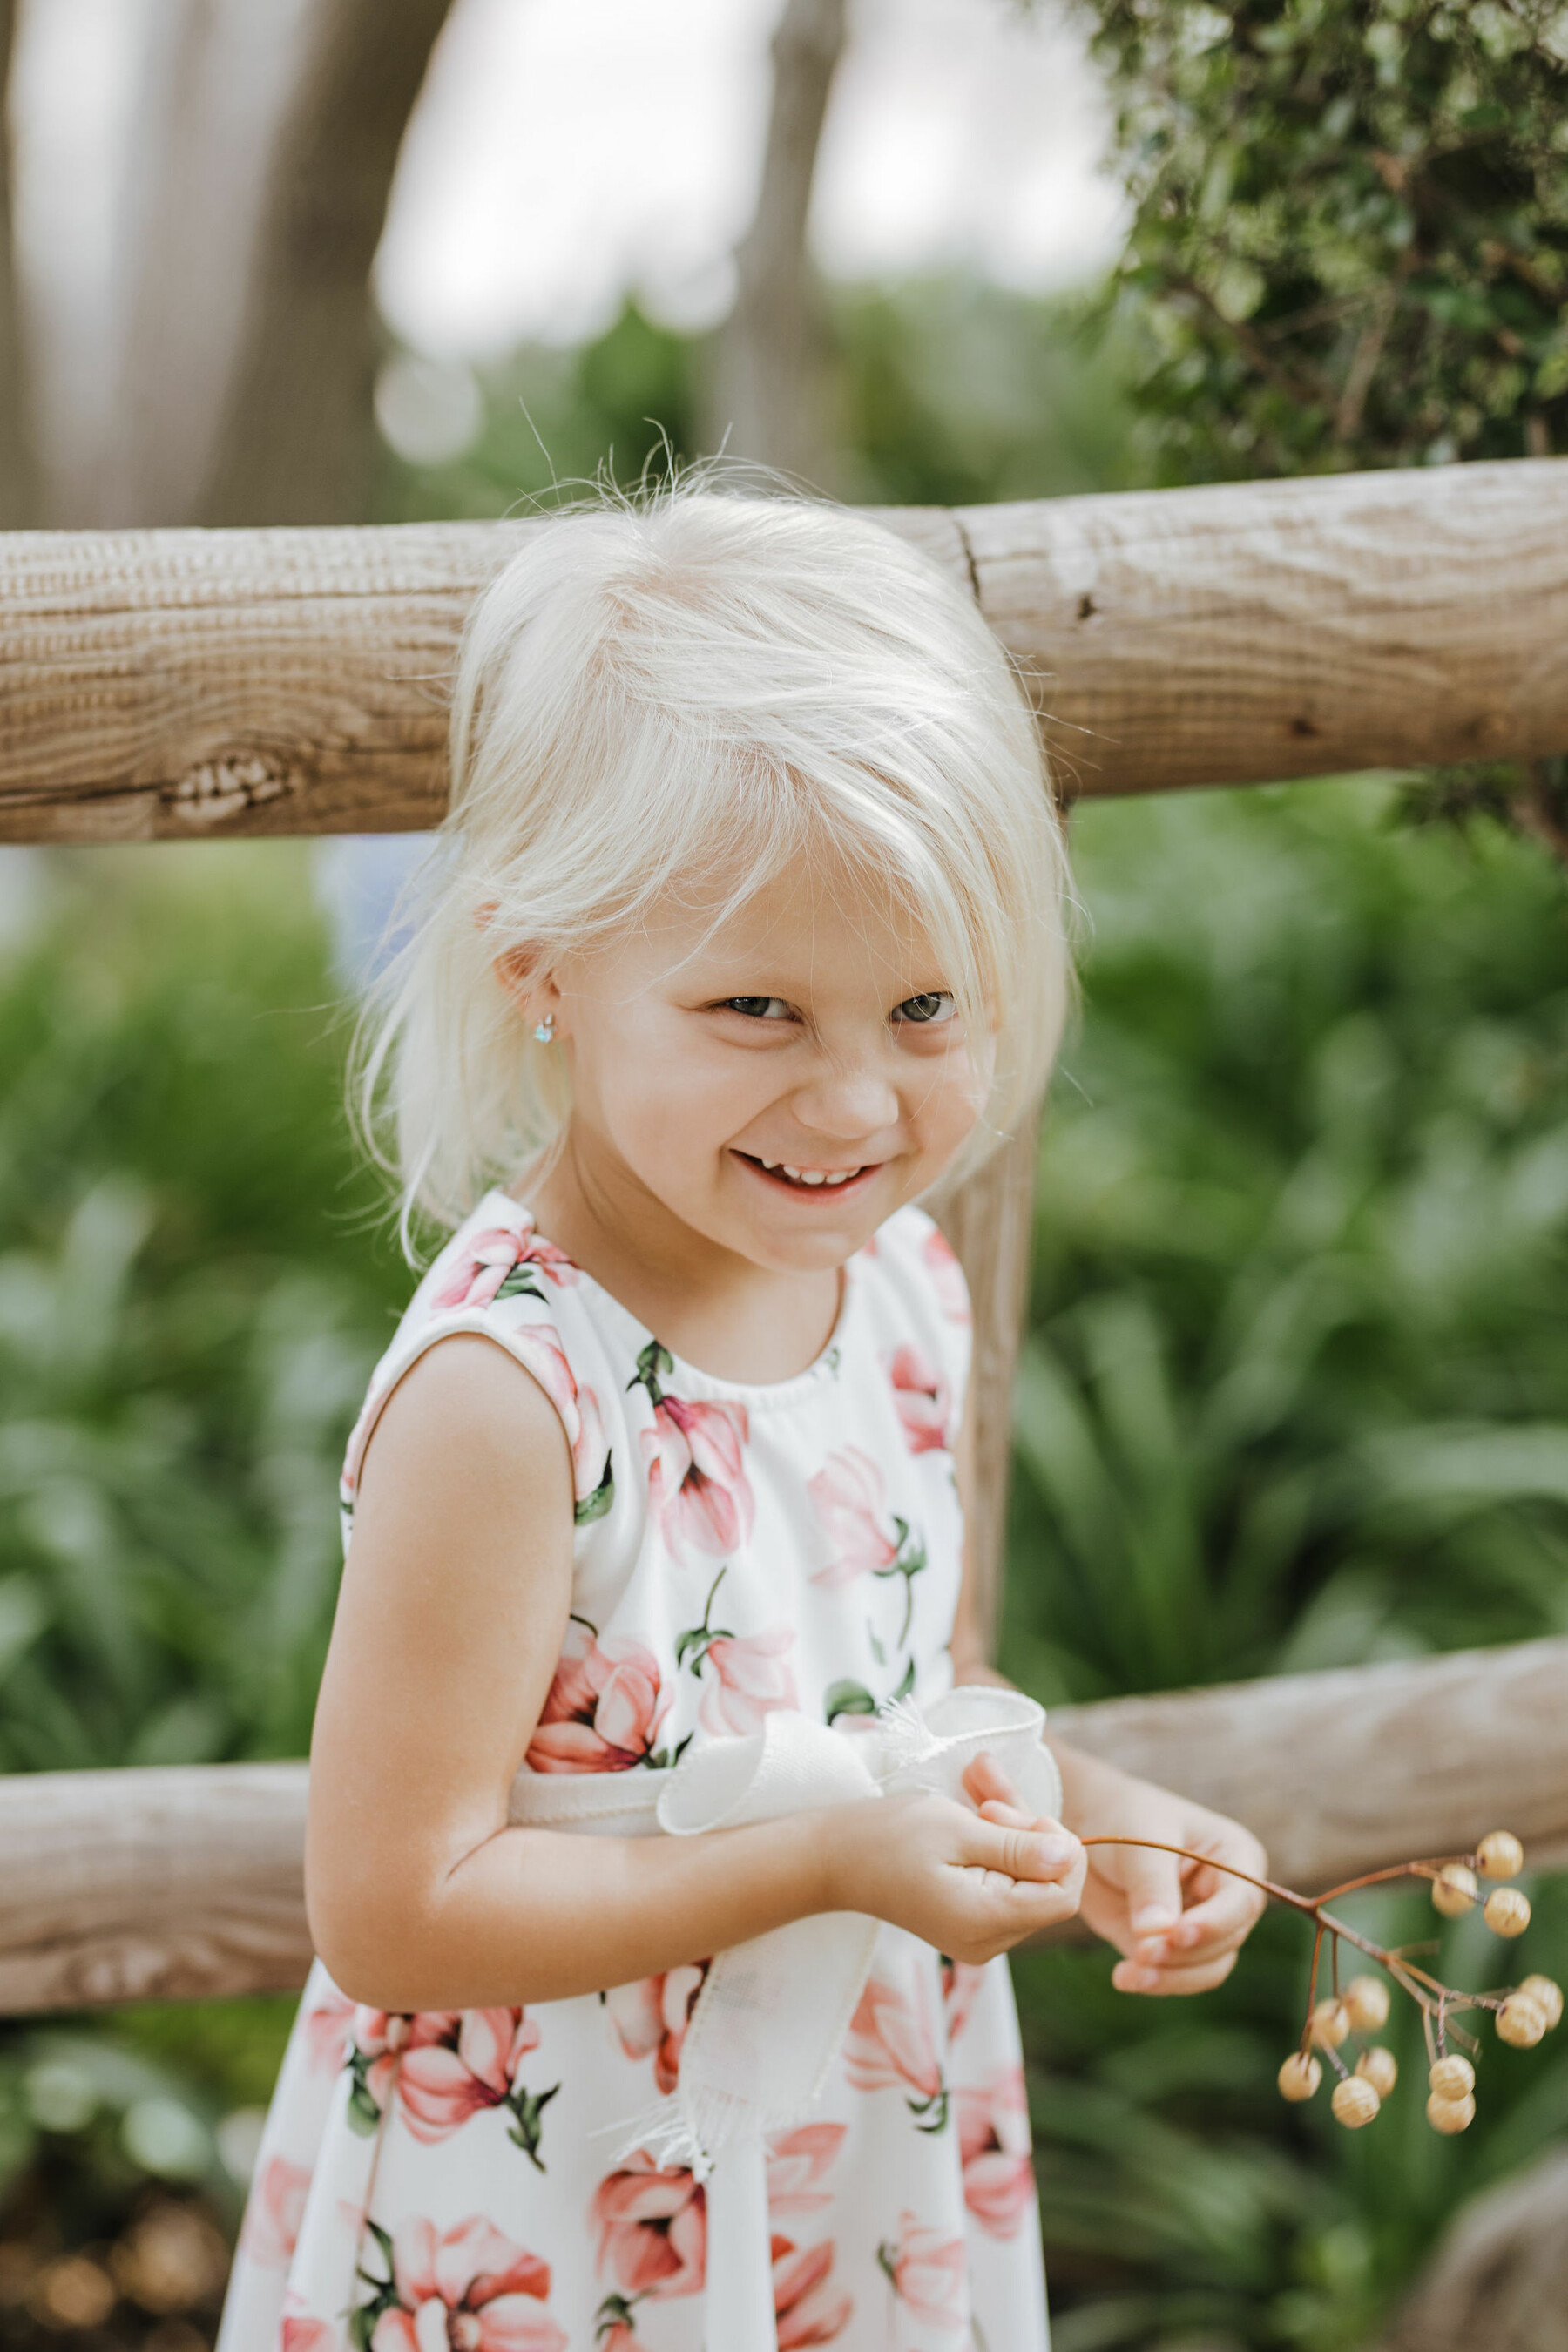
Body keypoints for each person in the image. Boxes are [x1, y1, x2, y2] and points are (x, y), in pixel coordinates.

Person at [214, 481, 1267, 2352]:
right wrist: (827, 1867)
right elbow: (395, 1906)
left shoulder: (907, 1296)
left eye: (928, 1007)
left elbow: (909, 1696)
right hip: (557, 2213)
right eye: (761, 1008)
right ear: (547, 969)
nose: (857, 1107)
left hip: (833, 2175)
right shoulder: (511, 1396)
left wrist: (1094, 1827)